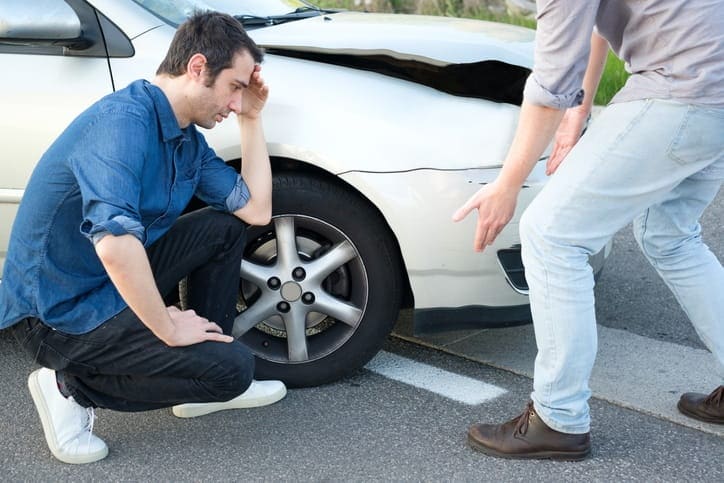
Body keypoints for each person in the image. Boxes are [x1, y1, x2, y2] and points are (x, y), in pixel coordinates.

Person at [0, 11, 287, 465]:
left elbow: (255, 210)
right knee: (233, 372)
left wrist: (251, 119)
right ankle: (68, 388)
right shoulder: (123, 124)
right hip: (57, 311)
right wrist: (169, 326)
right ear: (197, 68)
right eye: (235, 87)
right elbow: (114, 245)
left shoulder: (184, 139)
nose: (236, 101)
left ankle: (209, 350)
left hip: (106, 281)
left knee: (224, 225)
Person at [452, 0, 724, 460]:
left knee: (551, 237)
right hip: (712, 90)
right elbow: (595, 27)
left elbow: (551, 84)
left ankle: (557, 419)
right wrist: (578, 113)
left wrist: (507, 184)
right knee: (670, 237)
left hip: (680, 90)